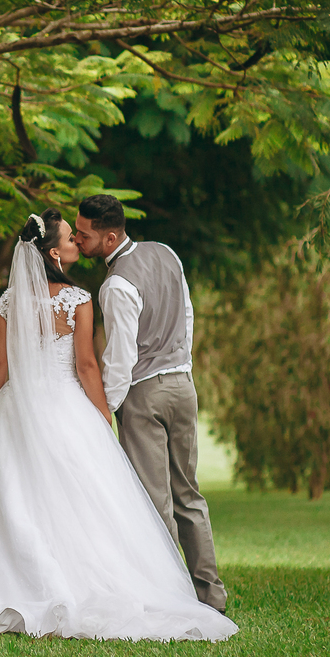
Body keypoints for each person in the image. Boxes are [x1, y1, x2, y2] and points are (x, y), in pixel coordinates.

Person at [0, 208, 237, 641]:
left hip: (15, 404)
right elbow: (85, 365)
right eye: (69, 239)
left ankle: (5, 580)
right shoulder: (77, 301)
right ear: (54, 254)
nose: (76, 243)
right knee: (86, 501)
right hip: (68, 405)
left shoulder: (9, 302)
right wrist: (102, 413)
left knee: (11, 498)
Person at [74, 194, 227, 613]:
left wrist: (108, 410)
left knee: (154, 503)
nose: (77, 239)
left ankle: (169, 600)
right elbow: (188, 314)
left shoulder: (116, 285)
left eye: (84, 235)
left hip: (143, 394)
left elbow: (119, 357)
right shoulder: (167, 254)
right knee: (189, 495)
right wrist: (183, 365)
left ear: (109, 238)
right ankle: (211, 595)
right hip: (183, 387)